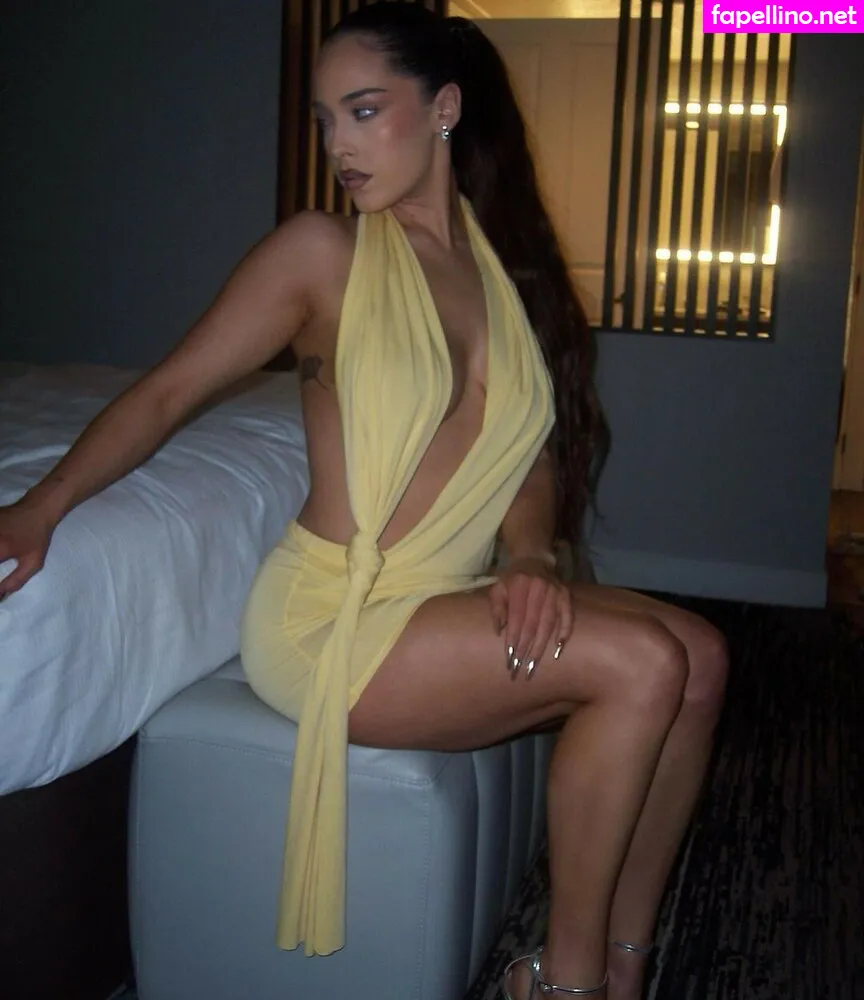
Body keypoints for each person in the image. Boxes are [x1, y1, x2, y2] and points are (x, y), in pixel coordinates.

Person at [0, 4, 729, 997]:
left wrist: (529, 555)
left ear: (444, 109)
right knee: (643, 661)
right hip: (333, 621)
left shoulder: (496, 275)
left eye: (365, 109)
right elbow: (169, 390)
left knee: (703, 658)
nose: (338, 143)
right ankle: (564, 982)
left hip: (443, 593)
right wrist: (40, 506)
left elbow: (526, 459)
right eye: (325, 118)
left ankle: (623, 960)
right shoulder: (322, 254)